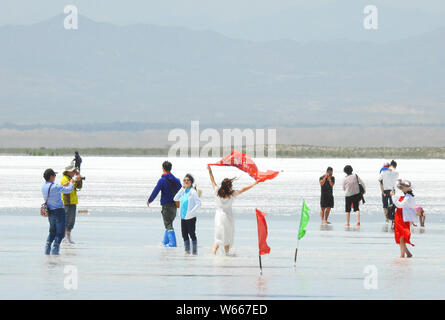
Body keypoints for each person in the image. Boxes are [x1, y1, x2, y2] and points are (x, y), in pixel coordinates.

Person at [207, 164, 259, 255]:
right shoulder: (232, 194)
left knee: (218, 237)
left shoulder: (217, 191)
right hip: (228, 217)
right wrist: (254, 184)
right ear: (229, 186)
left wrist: (209, 170)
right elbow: (243, 189)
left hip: (218, 216)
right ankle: (227, 255)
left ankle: (213, 254)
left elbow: (212, 180)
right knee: (227, 236)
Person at [147, 161, 182, 247]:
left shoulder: (162, 180)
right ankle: (165, 242)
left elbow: (156, 191)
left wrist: (149, 200)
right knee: (169, 223)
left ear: (163, 168)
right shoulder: (177, 180)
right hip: (175, 205)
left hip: (166, 205)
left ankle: (172, 243)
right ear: (171, 168)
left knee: (168, 224)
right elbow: (182, 191)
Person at [41, 168, 75, 255]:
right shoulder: (55, 187)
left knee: (52, 232)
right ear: (51, 176)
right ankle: (55, 251)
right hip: (59, 212)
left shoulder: (44, 186)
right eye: (54, 175)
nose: (55, 177)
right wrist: (71, 183)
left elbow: (55, 190)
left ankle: (47, 250)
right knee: (60, 233)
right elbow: (69, 190)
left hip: (50, 212)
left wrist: (64, 185)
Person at [173, 174, 201, 255]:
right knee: (184, 235)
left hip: (191, 217)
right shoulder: (183, 191)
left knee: (192, 235)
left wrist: (192, 212)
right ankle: (187, 251)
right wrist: (182, 189)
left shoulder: (193, 192)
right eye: (184, 180)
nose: (186, 182)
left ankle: (194, 252)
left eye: (188, 180)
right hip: (183, 217)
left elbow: (198, 203)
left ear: (191, 182)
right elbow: (175, 198)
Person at [391, 180, 416, 258]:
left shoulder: (408, 197)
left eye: (402, 188)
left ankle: (403, 255)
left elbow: (400, 205)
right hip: (402, 217)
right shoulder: (409, 196)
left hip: (403, 218)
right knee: (401, 236)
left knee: (401, 237)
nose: (401, 189)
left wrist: (393, 196)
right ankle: (407, 253)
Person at [61, 163, 83, 244]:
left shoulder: (71, 178)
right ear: (68, 172)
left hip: (73, 201)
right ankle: (64, 237)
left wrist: (79, 178)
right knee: (66, 220)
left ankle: (68, 236)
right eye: (73, 171)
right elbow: (66, 187)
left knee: (71, 221)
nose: (74, 172)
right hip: (67, 202)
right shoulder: (64, 179)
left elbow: (79, 187)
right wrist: (73, 180)